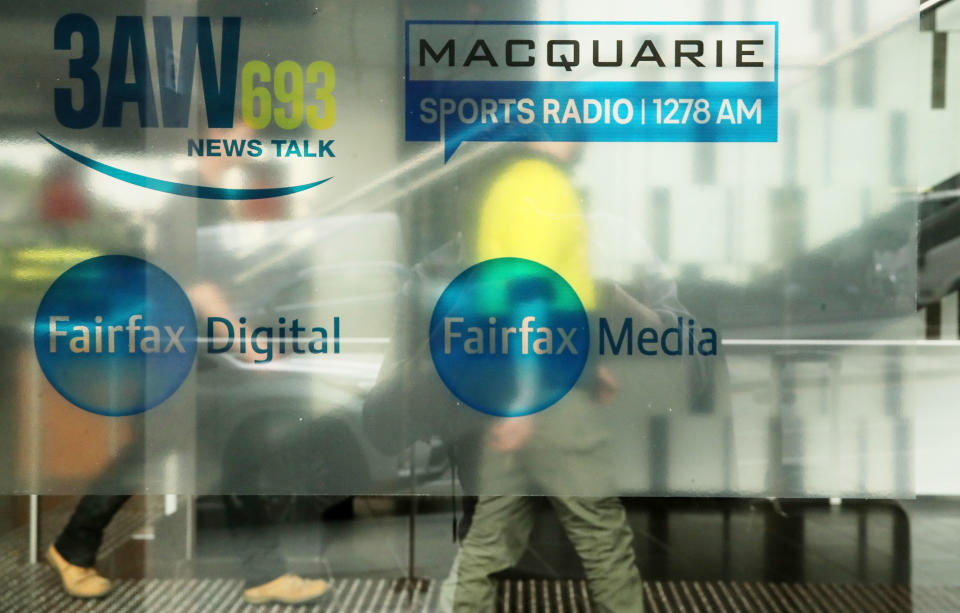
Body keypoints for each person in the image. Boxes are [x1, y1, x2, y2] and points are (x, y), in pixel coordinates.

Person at [45, 127, 329, 605]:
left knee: (236, 460)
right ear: (210, 139)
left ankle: (264, 574)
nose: (246, 145)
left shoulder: (205, 198)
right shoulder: (192, 200)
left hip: (187, 360)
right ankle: (73, 547)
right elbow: (201, 288)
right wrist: (247, 342)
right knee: (153, 459)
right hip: (177, 362)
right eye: (236, 134)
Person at [438, 142, 647, 612]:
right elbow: (531, 297)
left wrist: (590, 367)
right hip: (544, 387)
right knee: (600, 529)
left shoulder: (508, 185)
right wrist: (525, 399)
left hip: (516, 377)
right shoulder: (545, 187)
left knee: (491, 534)